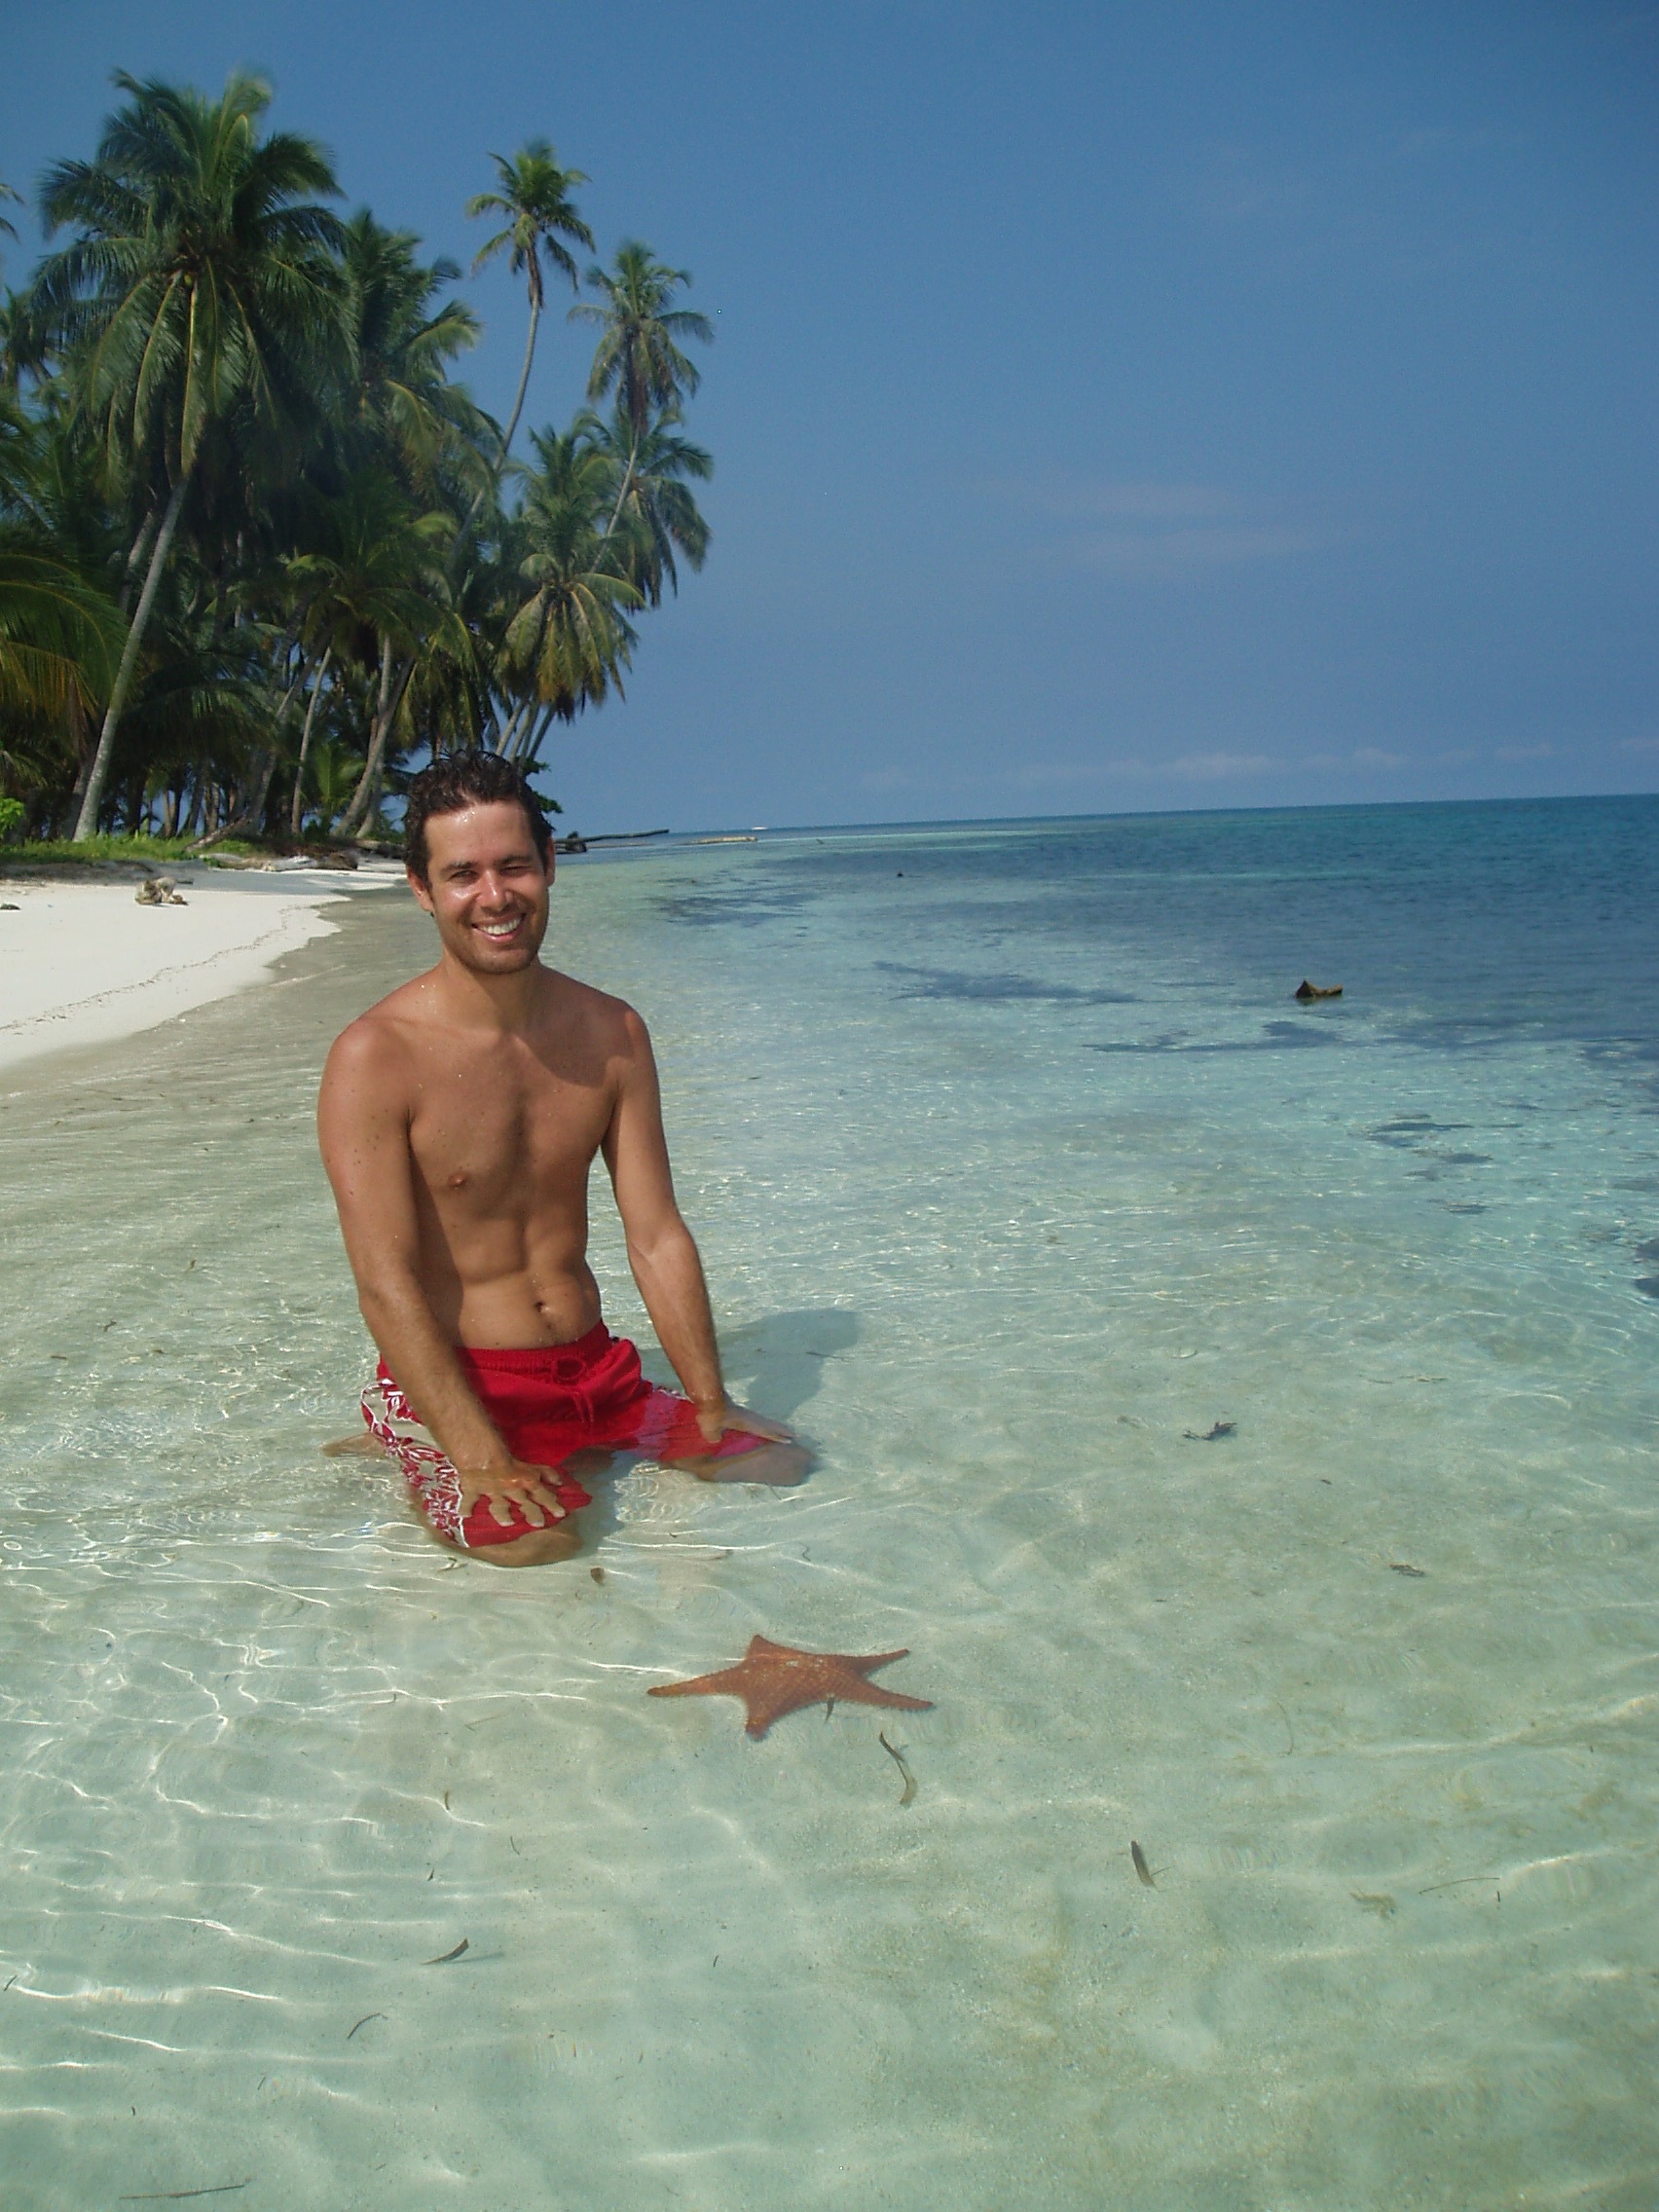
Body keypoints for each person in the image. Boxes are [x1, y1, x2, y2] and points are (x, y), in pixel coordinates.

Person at [316, 754, 805, 1567]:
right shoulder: (376, 1057)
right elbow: (384, 1279)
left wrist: (711, 1399)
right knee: (539, 1548)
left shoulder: (613, 1034)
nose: (494, 897)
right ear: (421, 888)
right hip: (466, 1386)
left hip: (596, 1376)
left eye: (513, 866)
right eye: (462, 874)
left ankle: (573, 1443)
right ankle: (406, 1439)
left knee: (779, 1463)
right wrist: (477, 1454)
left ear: (549, 864)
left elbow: (655, 1235)